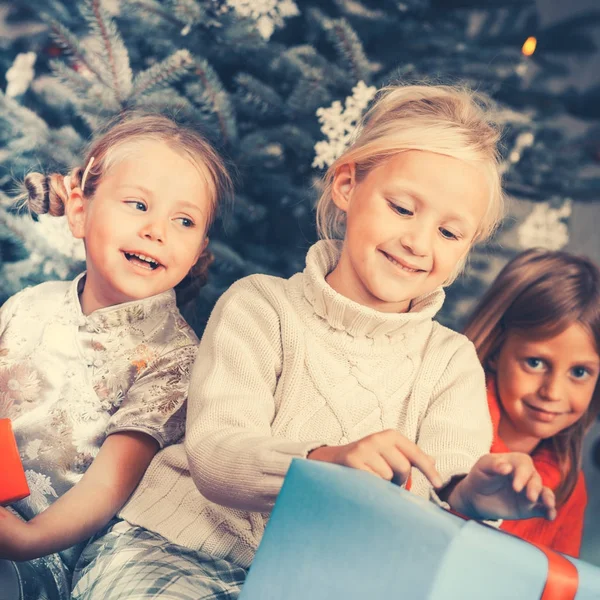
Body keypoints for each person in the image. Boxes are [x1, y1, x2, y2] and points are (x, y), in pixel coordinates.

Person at [71, 83, 555, 600]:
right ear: (347, 186)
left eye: (450, 233)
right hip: (178, 549)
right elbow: (217, 456)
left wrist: (473, 495)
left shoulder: (450, 363)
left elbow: (442, 490)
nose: (419, 243)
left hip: (314, 582)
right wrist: (327, 462)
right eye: (402, 208)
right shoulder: (262, 306)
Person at [0, 113, 232, 599]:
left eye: (183, 221)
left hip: (38, 555)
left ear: (198, 249)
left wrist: (26, 541)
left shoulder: (174, 359)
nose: (156, 230)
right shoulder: (28, 303)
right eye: (138, 204)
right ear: (80, 211)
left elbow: (110, 484)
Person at [464, 248, 600, 557]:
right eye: (536, 363)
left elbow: (557, 583)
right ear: (497, 351)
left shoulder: (569, 488)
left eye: (579, 372)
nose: (552, 392)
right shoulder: (443, 422)